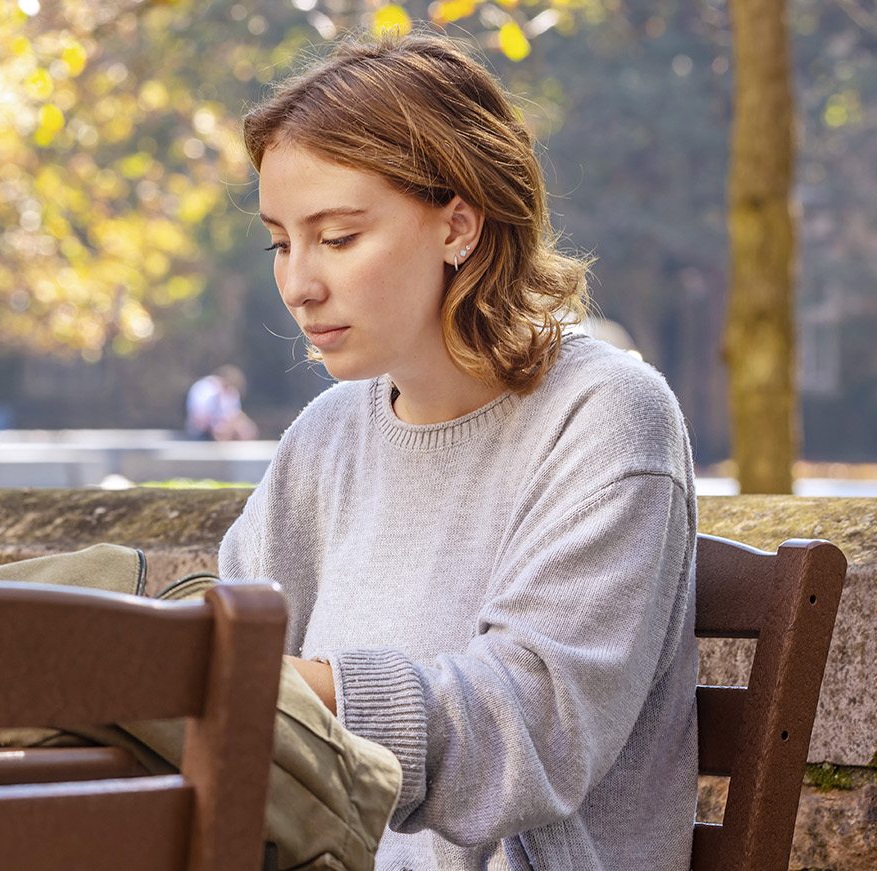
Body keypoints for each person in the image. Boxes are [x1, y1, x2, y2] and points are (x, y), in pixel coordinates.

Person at [220, 31, 698, 871]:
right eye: (280, 242)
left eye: (336, 237)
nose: (299, 283)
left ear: (460, 226)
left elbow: (530, 729)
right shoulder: (326, 437)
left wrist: (273, 686)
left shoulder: (608, 416)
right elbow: (224, 672)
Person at [185, 365, 260, 440]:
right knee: (221, 431)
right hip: (202, 432)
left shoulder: (232, 391)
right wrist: (218, 426)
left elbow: (233, 414)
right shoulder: (203, 389)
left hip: (224, 428)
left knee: (246, 430)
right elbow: (198, 420)